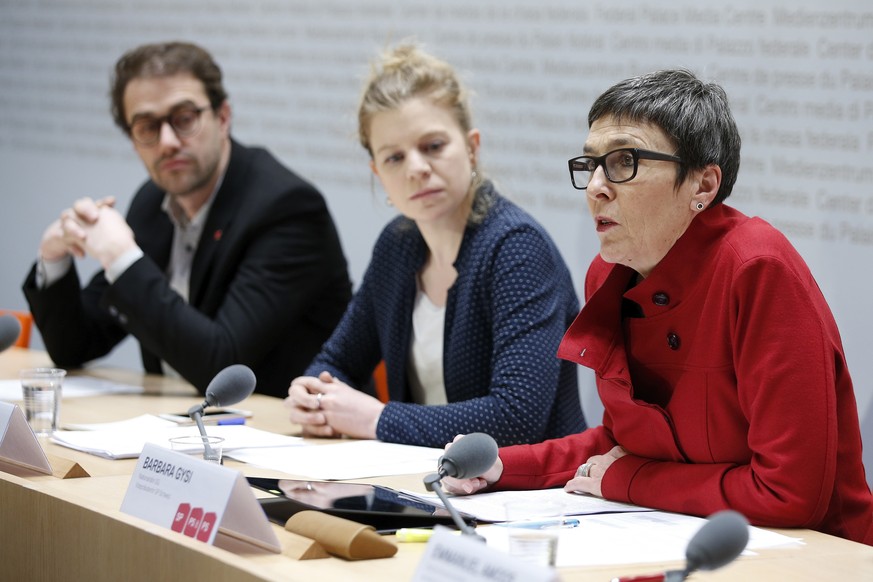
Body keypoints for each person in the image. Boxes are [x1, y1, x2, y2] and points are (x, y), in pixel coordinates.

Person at [444, 69, 873, 545]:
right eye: (592, 165)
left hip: (821, 556)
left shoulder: (756, 269)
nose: (596, 187)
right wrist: (502, 467)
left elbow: (788, 493)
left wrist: (631, 481)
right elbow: (620, 446)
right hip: (689, 541)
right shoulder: (610, 273)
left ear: (703, 186)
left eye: (624, 161)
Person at [284, 44, 585, 448]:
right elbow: (336, 362)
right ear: (377, 172)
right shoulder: (397, 245)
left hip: (534, 482)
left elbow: (517, 417)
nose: (416, 168)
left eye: (433, 146)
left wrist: (378, 418)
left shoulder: (517, 250)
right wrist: (313, 395)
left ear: (472, 147)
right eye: (394, 158)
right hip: (424, 476)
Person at [22, 41, 352, 399]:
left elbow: (223, 367)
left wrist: (121, 258)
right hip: (180, 424)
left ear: (222, 118)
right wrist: (54, 258)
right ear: (133, 140)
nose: (167, 142)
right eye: (147, 126)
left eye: (184, 119)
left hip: (284, 426)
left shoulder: (286, 208)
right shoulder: (152, 202)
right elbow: (75, 347)